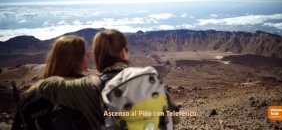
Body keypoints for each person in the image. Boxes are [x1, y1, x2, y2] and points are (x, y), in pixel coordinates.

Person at [37, 29, 178, 129]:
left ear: (96, 56)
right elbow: (175, 119)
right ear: (124, 52)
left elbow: (47, 86)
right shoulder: (150, 80)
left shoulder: (89, 87)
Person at [12, 35, 90, 130]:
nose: (88, 55)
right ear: (75, 59)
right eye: (84, 53)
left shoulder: (32, 94)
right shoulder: (76, 93)